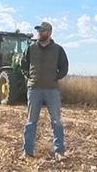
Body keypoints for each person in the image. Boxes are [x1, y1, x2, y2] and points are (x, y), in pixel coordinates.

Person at [21, 21, 69, 160]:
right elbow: (23, 64)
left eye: (42, 30)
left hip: (52, 90)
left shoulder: (58, 49)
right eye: (38, 31)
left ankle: (59, 152)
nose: (39, 33)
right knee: (31, 121)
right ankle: (27, 152)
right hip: (34, 89)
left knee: (56, 121)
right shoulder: (31, 48)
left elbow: (64, 67)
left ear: (49, 32)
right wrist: (29, 76)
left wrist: (55, 78)